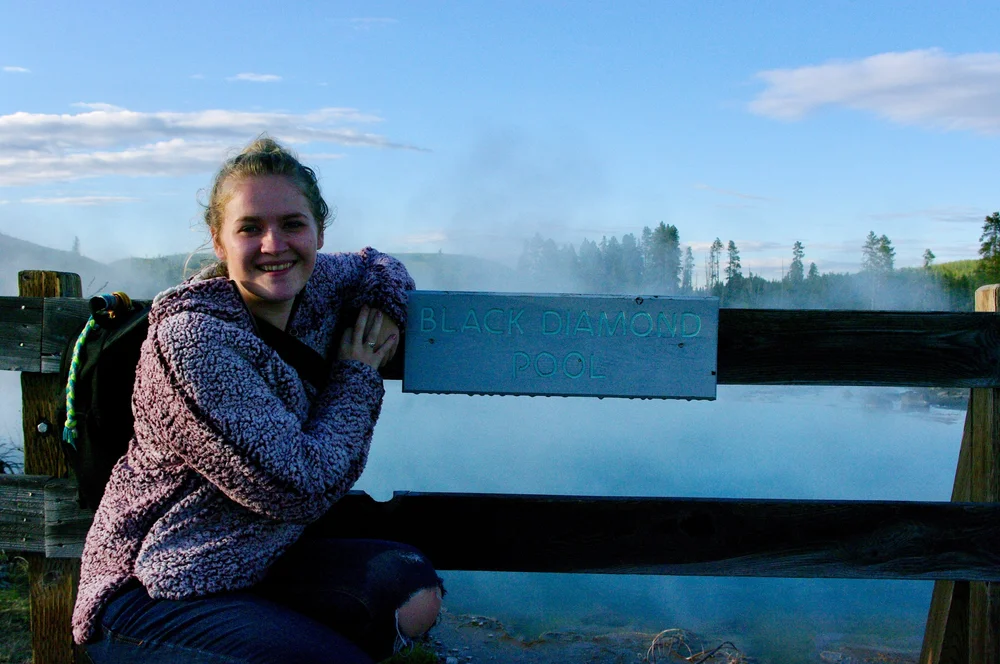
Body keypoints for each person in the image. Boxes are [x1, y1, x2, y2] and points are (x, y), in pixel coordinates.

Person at [72, 137, 443, 663]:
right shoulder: (192, 342)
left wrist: (381, 305)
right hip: (155, 586)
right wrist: (357, 375)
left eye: (293, 224)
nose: (274, 244)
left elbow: (377, 265)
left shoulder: (314, 286)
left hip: (256, 560)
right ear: (219, 242)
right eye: (250, 228)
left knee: (411, 590)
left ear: (318, 230)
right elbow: (299, 488)